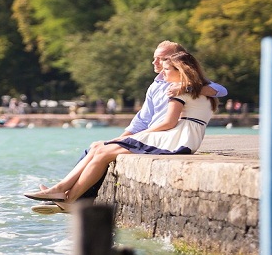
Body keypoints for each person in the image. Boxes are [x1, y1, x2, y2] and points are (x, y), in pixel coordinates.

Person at [27, 50, 218, 210]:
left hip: (176, 138)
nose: (164, 74)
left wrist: (143, 134)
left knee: (101, 152)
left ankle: (67, 198)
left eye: (167, 70)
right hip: (185, 137)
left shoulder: (179, 90)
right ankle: (62, 191)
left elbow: (169, 122)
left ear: (180, 70)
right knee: (100, 149)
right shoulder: (203, 90)